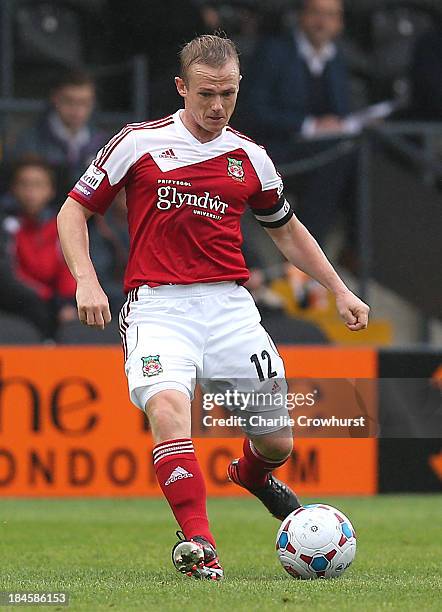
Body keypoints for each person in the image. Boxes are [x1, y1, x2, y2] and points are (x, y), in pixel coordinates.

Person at [57, 34, 369, 581]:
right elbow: (72, 212)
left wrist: (340, 289)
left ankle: (251, 475)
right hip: (158, 309)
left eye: (227, 93)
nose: (217, 106)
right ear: (182, 88)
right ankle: (200, 544)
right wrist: (85, 279)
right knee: (170, 414)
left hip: (230, 309)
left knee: (276, 443)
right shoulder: (138, 143)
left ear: (239, 87)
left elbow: (287, 231)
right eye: (206, 94)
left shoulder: (251, 157)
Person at [246, 0, 357, 249]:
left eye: (330, 16)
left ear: (339, 24)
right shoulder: (274, 51)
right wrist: (310, 126)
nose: (322, 22)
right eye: (316, 13)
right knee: (338, 157)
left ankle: (354, 251)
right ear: (301, 16)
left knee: (361, 158)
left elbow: (341, 111)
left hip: (321, 152)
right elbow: (255, 110)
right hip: (275, 152)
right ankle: (305, 251)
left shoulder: (337, 57)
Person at [4, 158, 77, 339]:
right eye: (24, 184)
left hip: (56, 305)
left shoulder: (61, 226)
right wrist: (47, 297)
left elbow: (69, 268)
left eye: (38, 185)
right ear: (13, 189)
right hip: (22, 304)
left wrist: (66, 302)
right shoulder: (6, 227)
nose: (31, 192)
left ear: (50, 191)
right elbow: (9, 275)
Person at [9, 70, 107, 196]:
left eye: (84, 103)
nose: (77, 110)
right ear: (55, 98)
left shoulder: (103, 143)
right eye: (69, 101)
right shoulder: (29, 141)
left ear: (93, 103)